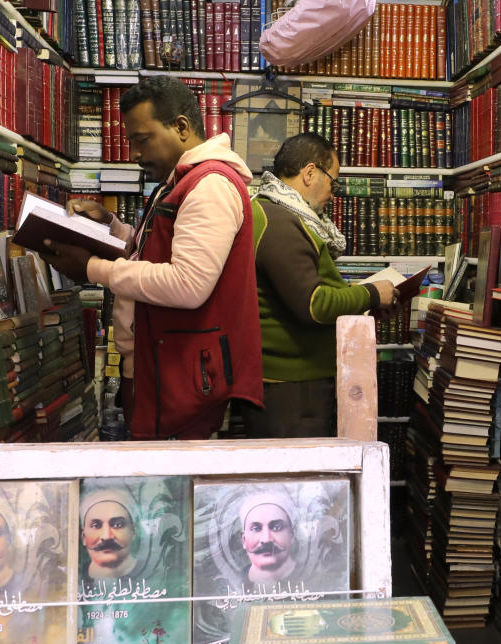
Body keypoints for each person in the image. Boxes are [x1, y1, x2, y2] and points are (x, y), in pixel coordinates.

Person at [39, 76, 264, 440]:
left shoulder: (209, 186)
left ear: (181, 127)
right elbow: (159, 249)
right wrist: (112, 226)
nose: (135, 154)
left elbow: (188, 285)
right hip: (162, 366)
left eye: (142, 140)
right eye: (131, 141)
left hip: (184, 375)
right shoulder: (180, 181)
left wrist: (91, 268)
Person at [238, 133, 397, 438]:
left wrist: (366, 304)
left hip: (294, 384)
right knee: (294, 482)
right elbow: (314, 304)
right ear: (310, 173)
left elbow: (312, 287)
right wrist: (373, 293)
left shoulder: (284, 215)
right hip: (291, 390)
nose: (333, 194)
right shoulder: (279, 222)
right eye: (333, 182)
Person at [238, 491, 298, 586]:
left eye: (276, 528)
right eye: (256, 529)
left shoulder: (317, 580)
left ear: (291, 534)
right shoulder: (233, 583)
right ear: (244, 540)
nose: (266, 539)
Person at [79, 489, 140, 580]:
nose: (106, 536)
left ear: (133, 531)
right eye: (96, 526)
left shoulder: (154, 575)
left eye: (117, 525)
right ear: (84, 536)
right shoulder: (76, 578)